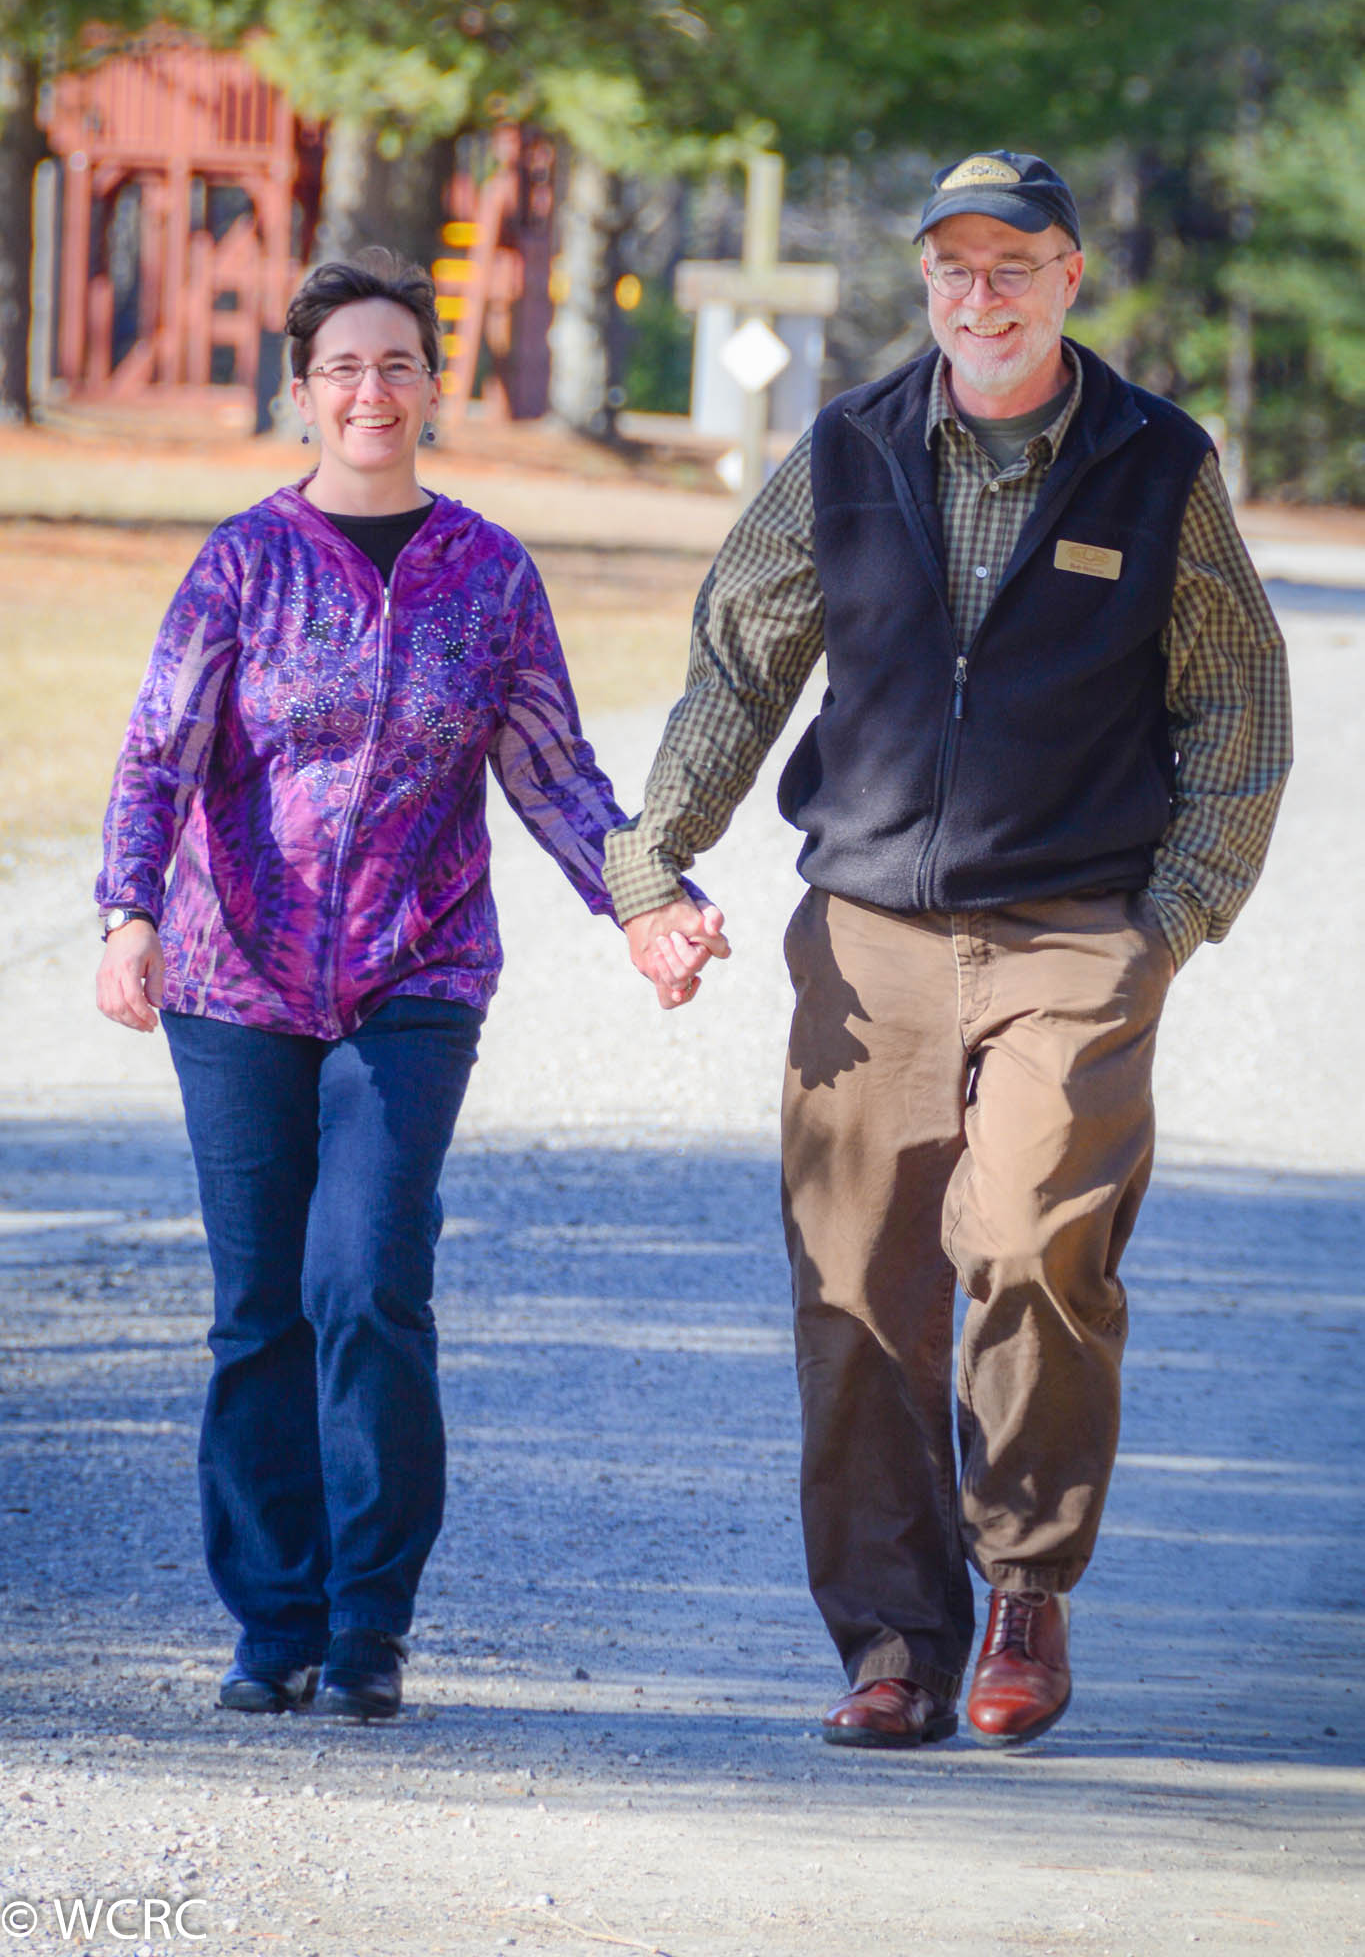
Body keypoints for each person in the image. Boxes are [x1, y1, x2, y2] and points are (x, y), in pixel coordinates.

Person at [608, 152, 1292, 1749]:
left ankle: (1023, 1591)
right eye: (951, 270)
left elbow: (1238, 706)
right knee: (858, 1279)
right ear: (923, 284)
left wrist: (1169, 917)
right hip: (869, 937)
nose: (977, 297)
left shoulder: (1153, 462)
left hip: (1073, 934)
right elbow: (738, 658)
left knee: (1034, 1242)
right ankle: (889, 1646)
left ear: (1067, 278)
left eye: (1011, 267)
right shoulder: (844, 449)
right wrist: (658, 858)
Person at [94, 249, 713, 1722]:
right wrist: (127, 910)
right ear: (300, 394)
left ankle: (369, 1623)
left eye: (396, 365)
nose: (370, 392)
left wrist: (646, 904)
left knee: (365, 1280)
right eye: (341, 368)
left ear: (433, 387)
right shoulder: (242, 559)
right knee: (260, 1310)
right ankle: (273, 1625)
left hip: (415, 976)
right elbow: (156, 747)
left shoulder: (488, 572)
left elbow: (554, 769)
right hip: (233, 982)